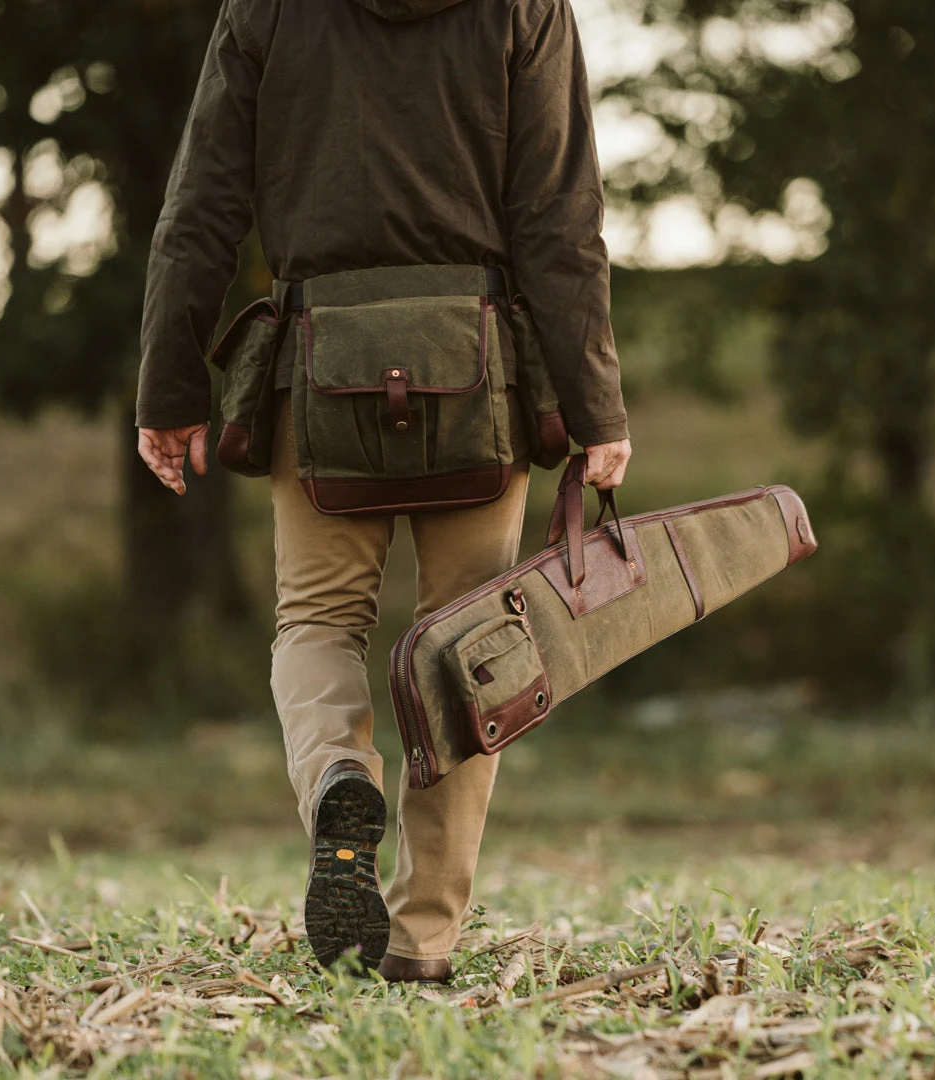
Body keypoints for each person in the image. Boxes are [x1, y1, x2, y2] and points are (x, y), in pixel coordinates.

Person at [136, 0, 631, 984]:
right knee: (472, 647)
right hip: (478, 371)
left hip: (318, 369)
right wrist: (597, 403)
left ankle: (337, 785)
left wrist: (170, 386)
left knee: (316, 621)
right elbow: (559, 215)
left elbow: (204, 203)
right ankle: (421, 938)